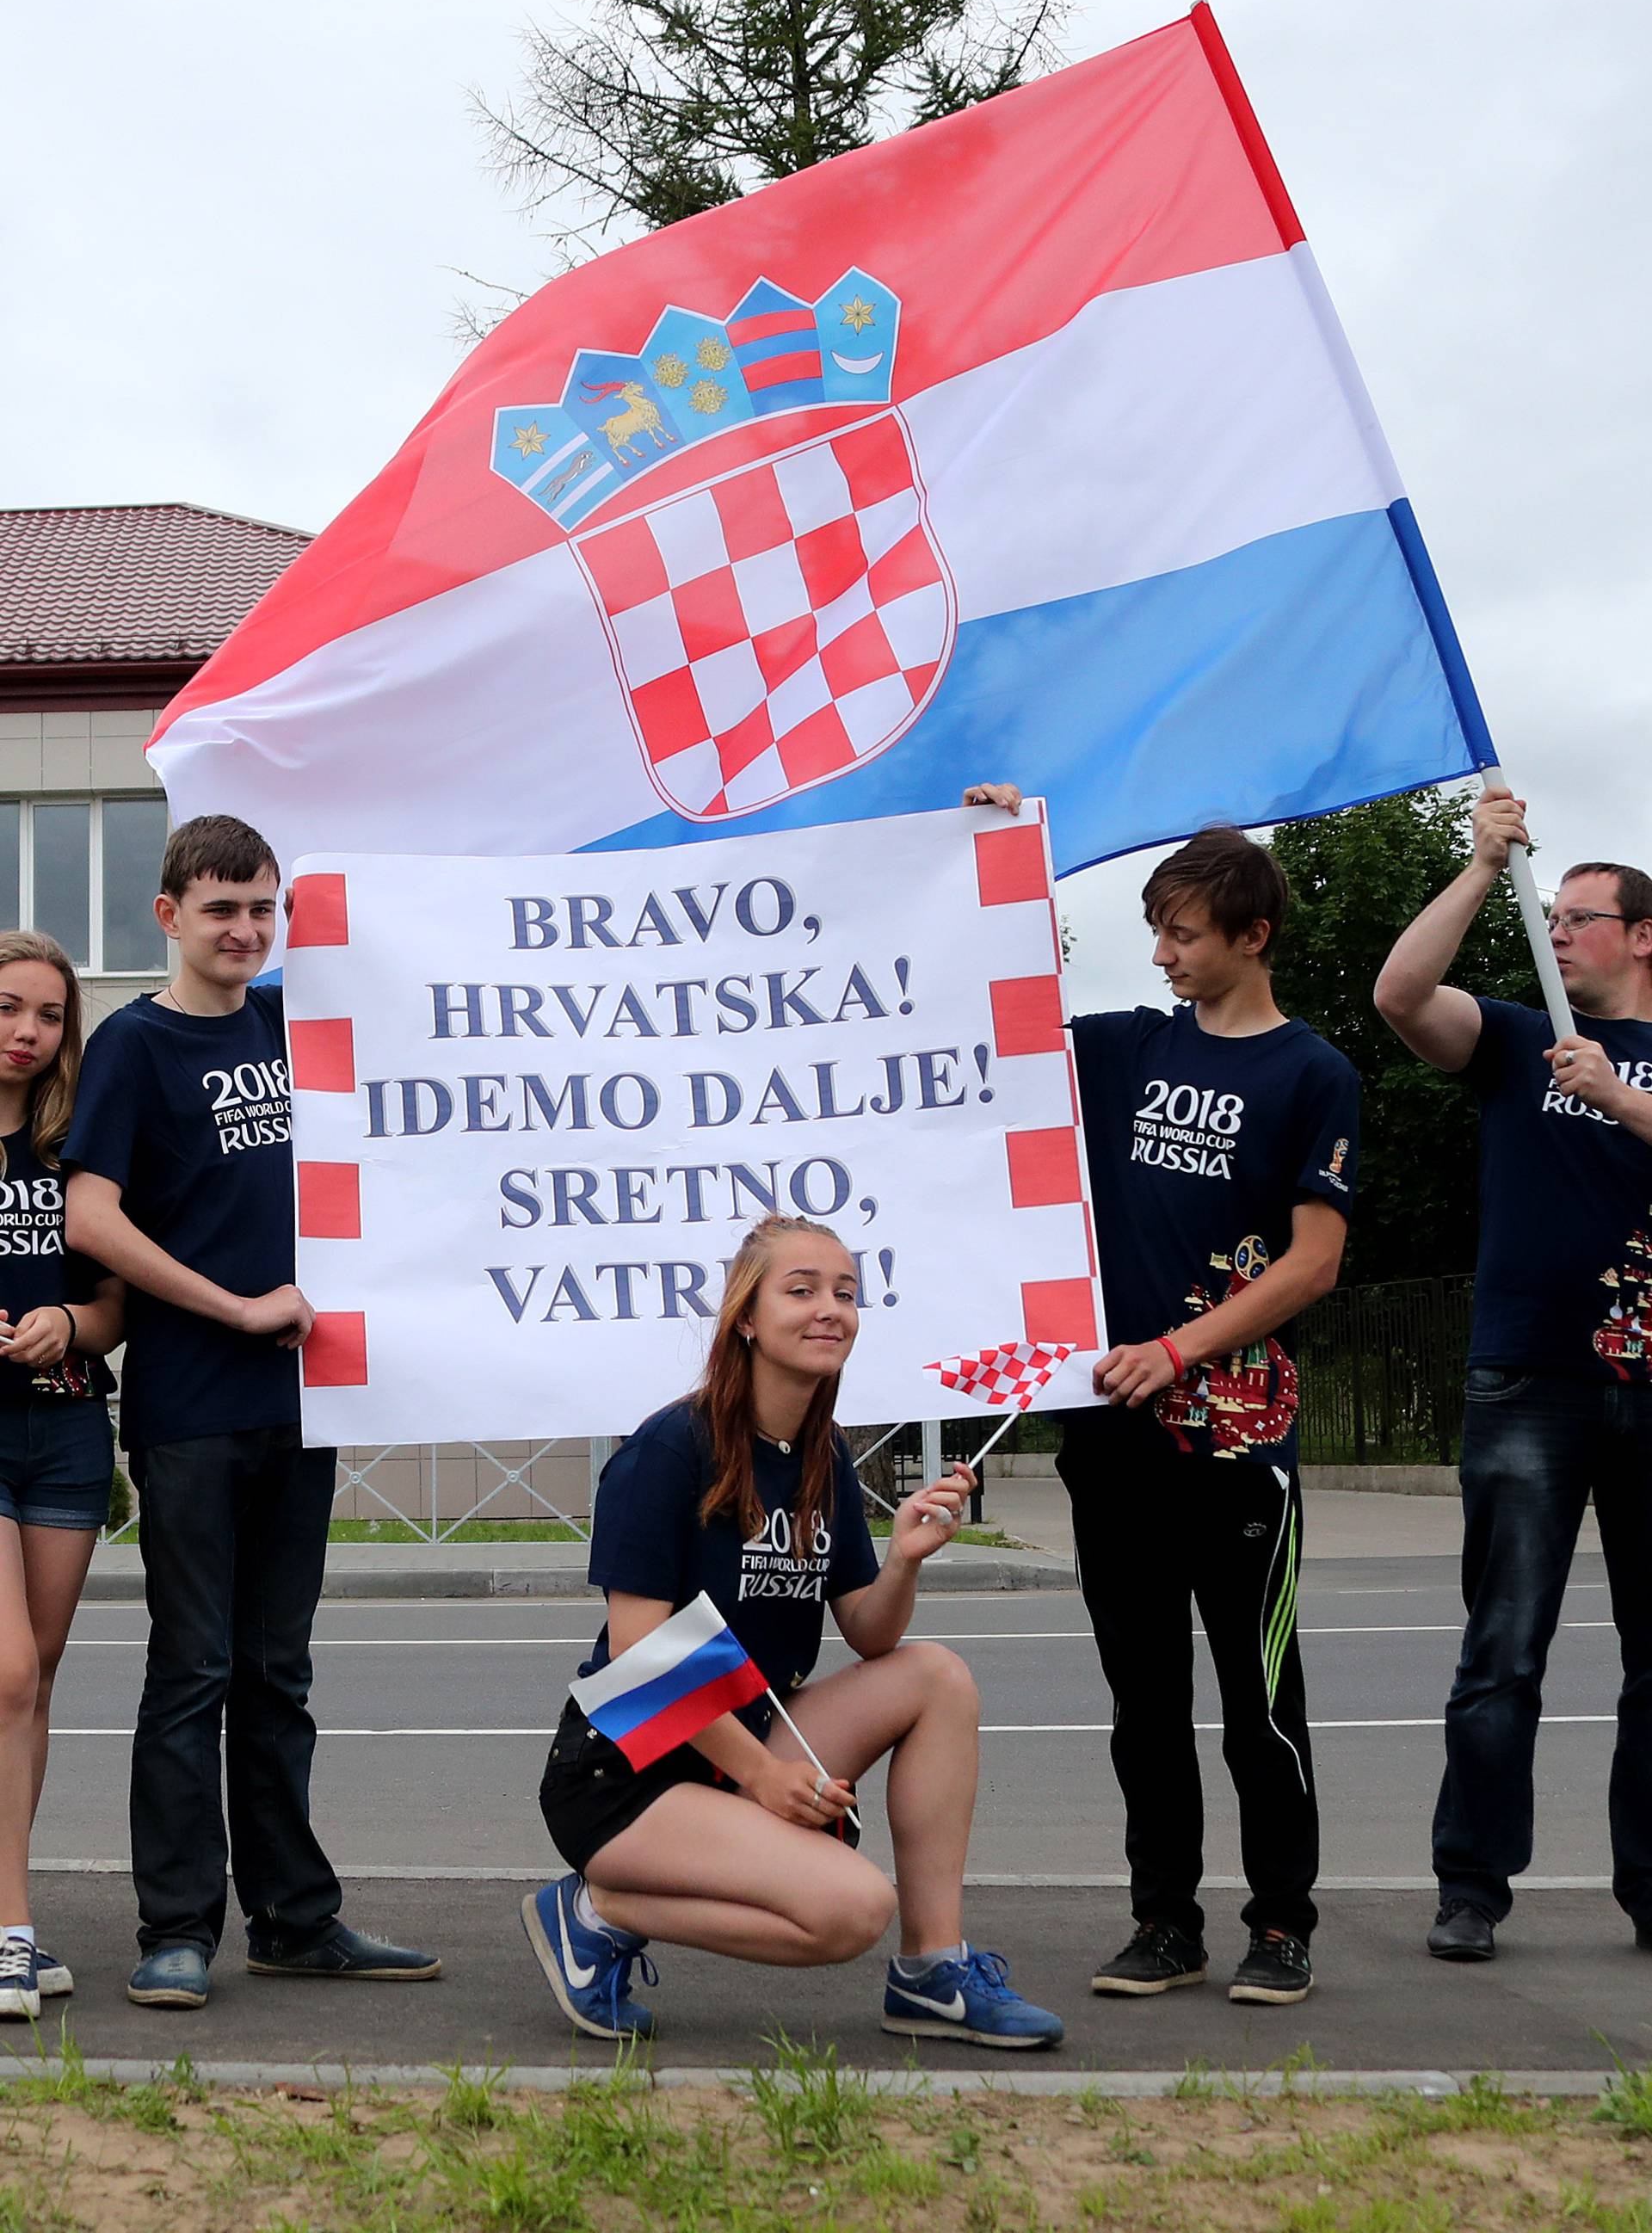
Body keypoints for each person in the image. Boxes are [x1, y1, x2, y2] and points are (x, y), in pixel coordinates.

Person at [964, 786, 1359, 2008]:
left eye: (1184, 933)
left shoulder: (1313, 1072)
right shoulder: (1132, 1044)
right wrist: (1005, 856)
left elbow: (1314, 1261)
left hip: (1240, 1442)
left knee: (1259, 1702)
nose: (1164, 954)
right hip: (1112, 1436)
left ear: (1252, 936)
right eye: (1158, 932)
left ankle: (1281, 1928)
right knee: (1145, 1703)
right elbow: (1016, 1003)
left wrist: (1182, 1349)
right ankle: (1164, 1923)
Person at [526, 1211, 1064, 2049]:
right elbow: (638, 1654)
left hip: (749, 1733)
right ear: (746, 1316)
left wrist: (905, 1560)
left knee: (937, 1676)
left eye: (846, 1293)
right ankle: (595, 1909)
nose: (830, 1309)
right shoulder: (672, 1446)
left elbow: (872, 1637)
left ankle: (933, 1974)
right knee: (851, 1912)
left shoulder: (822, 1457)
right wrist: (761, 1780)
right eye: (802, 1289)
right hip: (628, 1770)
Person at [63, 814, 438, 2009]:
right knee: (196, 1669)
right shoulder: (134, 1045)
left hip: (301, 1404)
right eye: (221, 907)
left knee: (280, 1672)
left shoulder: (293, 1024)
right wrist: (232, 1308)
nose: (245, 930)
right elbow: (91, 1219)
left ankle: (295, 1918)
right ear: (166, 914)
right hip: (190, 1405)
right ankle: (178, 1928)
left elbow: (448, 972)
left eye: (263, 909)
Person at [1374, 784, 1652, 1961]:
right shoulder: (1522, 1035)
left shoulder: (1604, 1062)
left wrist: (1623, 1102)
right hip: (1528, 1378)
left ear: (1642, 936)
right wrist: (1485, 868)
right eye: (1553, 913)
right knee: (1504, 1650)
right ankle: (1472, 1887)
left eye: (1579, 915)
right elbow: (1398, 997)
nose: (1559, 930)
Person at [0, 935, 126, 2021]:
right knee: (4, 1675)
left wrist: (66, 1323)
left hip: (68, 1434)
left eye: (46, 1015)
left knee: (32, 1683)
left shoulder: (71, 1148)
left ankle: (6, 1908)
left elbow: (114, 1305)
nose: (25, 1032)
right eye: (6, 1008)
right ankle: (10, 1930)